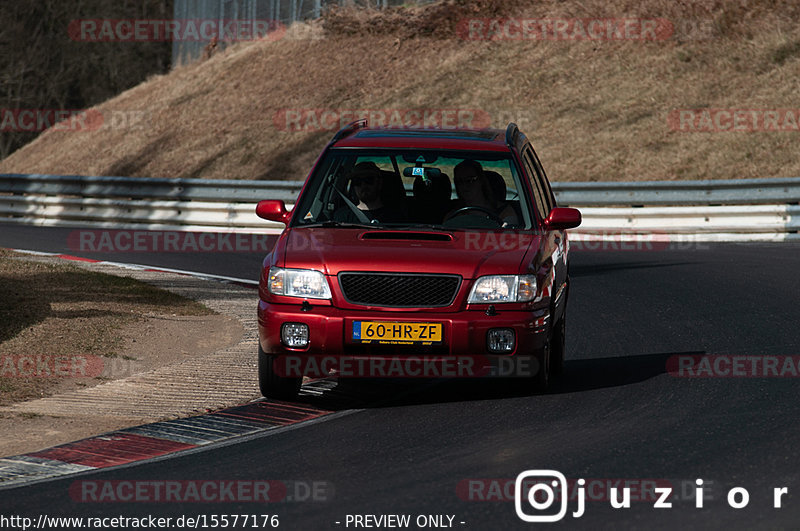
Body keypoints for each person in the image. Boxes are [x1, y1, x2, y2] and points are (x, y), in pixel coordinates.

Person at [448, 160, 518, 225]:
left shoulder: (504, 212)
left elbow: (510, 235)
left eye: (469, 180)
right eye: (459, 181)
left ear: (481, 181)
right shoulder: (453, 215)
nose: (464, 186)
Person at [333, 162, 405, 223]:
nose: (363, 185)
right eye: (357, 181)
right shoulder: (342, 217)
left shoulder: (395, 218)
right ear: (353, 186)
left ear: (379, 183)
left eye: (369, 180)